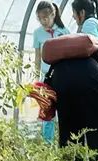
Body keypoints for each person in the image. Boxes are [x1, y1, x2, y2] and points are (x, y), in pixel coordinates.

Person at [46, 46, 98, 161]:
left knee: (68, 130)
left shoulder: (85, 50)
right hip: (91, 75)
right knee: (97, 129)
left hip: (60, 76)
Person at [33, 1, 70, 144]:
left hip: (63, 75)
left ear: (53, 14)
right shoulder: (37, 33)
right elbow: (37, 56)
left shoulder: (64, 31)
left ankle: (66, 143)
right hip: (47, 77)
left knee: (64, 109)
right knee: (47, 110)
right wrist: (36, 77)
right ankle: (47, 144)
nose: (43, 21)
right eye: (40, 18)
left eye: (46, 18)